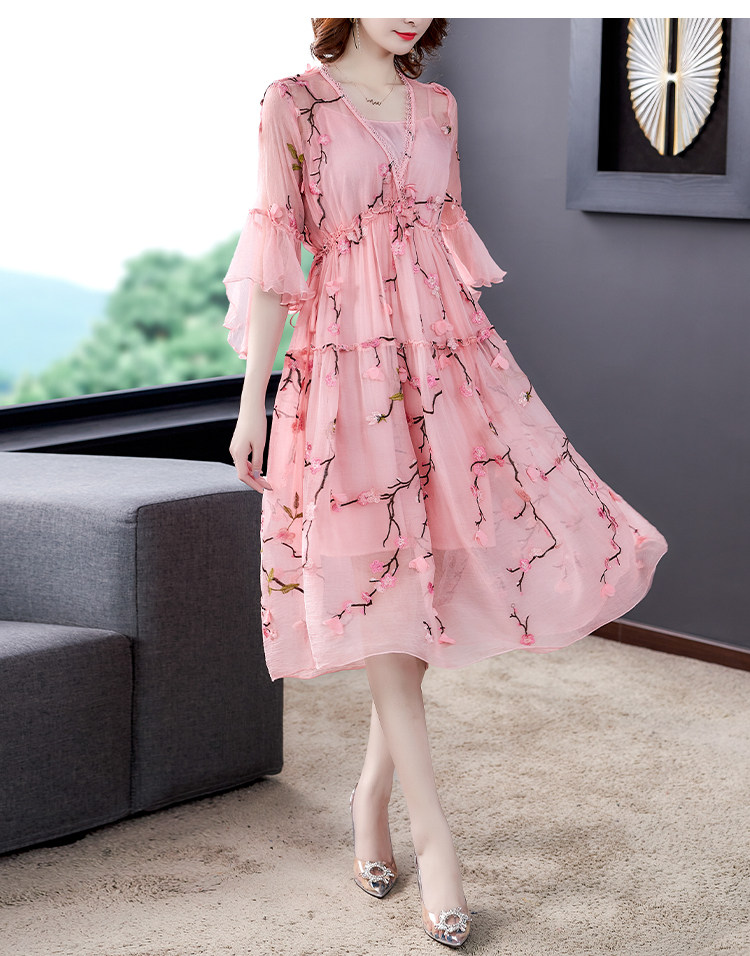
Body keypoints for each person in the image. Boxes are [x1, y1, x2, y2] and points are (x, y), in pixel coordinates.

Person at [221, 18, 668, 949]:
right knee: (386, 588)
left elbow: (442, 251)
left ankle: (369, 796)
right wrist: (252, 400)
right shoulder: (292, 104)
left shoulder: (438, 106)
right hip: (347, 375)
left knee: (434, 585)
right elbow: (274, 259)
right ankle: (436, 843)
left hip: (445, 370)